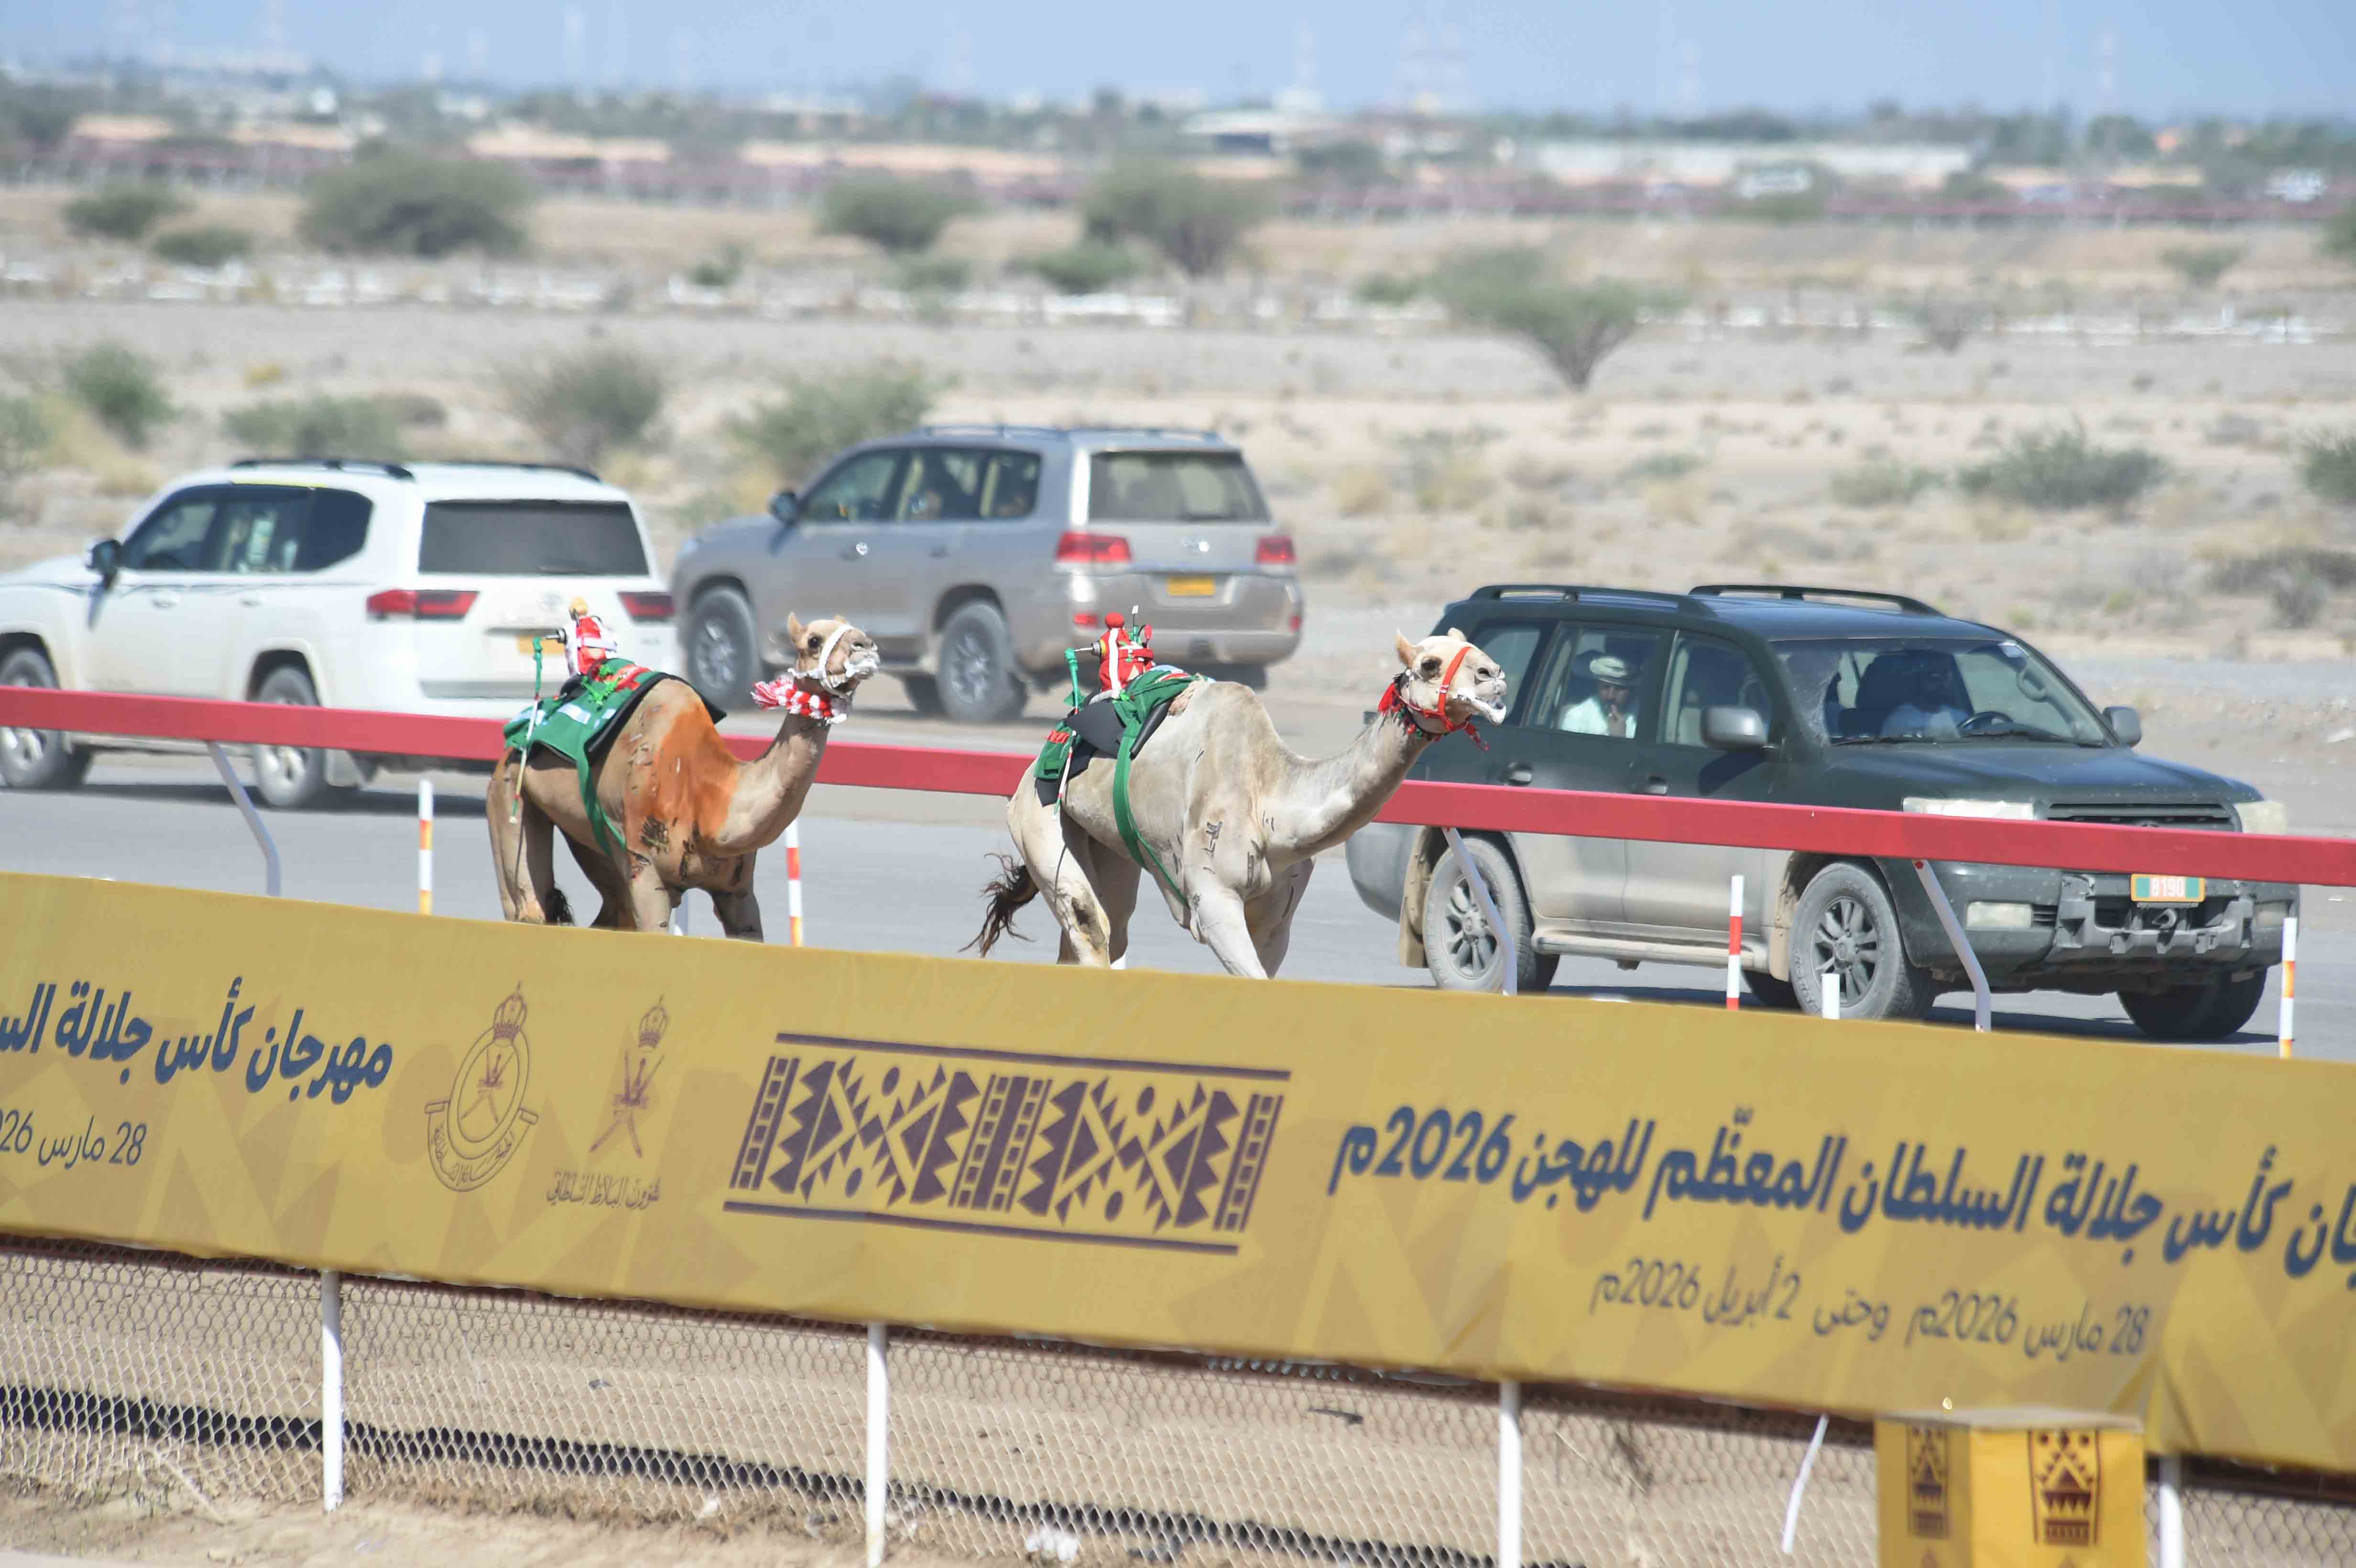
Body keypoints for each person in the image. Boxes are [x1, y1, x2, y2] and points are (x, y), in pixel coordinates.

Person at [1562, 653, 1642, 737]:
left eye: (1619, 689)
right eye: (1606, 688)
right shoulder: (1578, 717)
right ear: (1598, 688)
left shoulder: (1643, 720)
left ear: (1632, 691)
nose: (1611, 696)